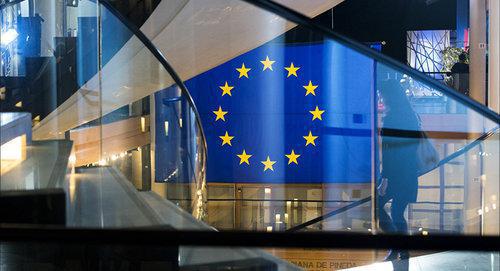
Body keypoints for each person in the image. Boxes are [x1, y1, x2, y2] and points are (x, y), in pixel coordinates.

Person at [377, 80, 420, 261]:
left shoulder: (391, 119)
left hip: (396, 174)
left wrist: (384, 179)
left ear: (389, 97)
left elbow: (389, 153)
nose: (381, 98)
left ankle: (397, 247)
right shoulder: (411, 116)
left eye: (383, 94)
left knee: (379, 207)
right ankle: (402, 250)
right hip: (408, 173)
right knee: (397, 211)